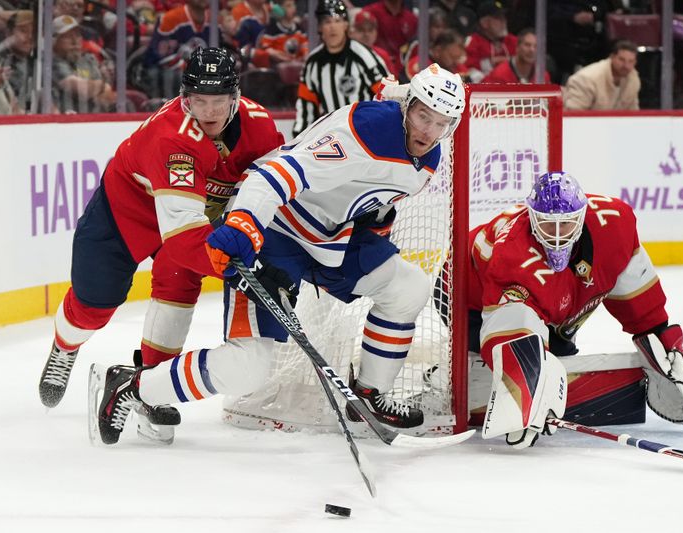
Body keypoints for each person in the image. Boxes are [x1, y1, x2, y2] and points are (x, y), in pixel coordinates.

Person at [93, 63, 466, 445]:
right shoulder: (364, 132)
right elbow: (274, 174)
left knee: (408, 288)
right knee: (248, 368)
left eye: (441, 123)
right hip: (274, 230)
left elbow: (373, 199)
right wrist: (243, 225)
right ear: (409, 108)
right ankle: (134, 385)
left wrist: (374, 228)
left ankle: (369, 394)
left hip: (328, 238)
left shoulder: (428, 157)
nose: (428, 132)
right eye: (423, 116)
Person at [39, 48, 282, 423]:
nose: (210, 112)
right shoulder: (173, 140)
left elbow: (276, 187)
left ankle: (151, 385)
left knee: (178, 286)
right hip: (126, 214)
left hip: (194, 221)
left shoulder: (260, 127)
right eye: (199, 101)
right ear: (185, 99)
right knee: (94, 306)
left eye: (219, 101)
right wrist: (236, 269)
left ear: (236, 98)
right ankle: (64, 345)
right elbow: (185, 241)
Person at [464, 172, 683, 448]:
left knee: (559, 356)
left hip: (553, 303)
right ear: (532, 219)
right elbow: (506, 320)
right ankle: (450, 371)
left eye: (566, 225)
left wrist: (660, 335)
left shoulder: (613, 223)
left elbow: (634, 282)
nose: (557, 236)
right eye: (548, 226)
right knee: (523, 351)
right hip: (466, 295)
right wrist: (524, 383)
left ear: (582, 216)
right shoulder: (512, 257)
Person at [292, 0, 389, 137]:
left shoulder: (365, 57)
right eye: (327, 22)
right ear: (319, 27)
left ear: (346, 24)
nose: (332, 27)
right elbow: (306, 109)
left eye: (337, 21)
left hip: (367, 137)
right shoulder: (312, 64)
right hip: (331, 139)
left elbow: (388, 98)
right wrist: (298, 141)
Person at [51, 15, 116, 114]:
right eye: (67, 37)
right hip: (64, 121)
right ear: (54, 41)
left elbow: (107, 95)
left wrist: (98, 88)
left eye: (77, 35)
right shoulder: (51, 62)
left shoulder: (88, 60)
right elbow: (81, 89)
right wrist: (101, 85)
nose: (75, 41)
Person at [563, 39, 640, 110]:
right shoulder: (586, 79)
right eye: (621, 59)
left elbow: (633, 112)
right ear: (612, 57)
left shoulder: (633, 78)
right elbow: (574, 115)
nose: (626, 66)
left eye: (631, 61)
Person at [0, 9, 35, 113]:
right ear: (8, 33)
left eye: (33, 32)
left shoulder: (37, 60)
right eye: (23, 31)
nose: (29, 36)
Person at [464, 1, 518, 83]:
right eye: (498, 18)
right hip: (485, 91)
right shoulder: (472, 42)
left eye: (504, 17)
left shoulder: (513, 41)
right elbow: (467, 70)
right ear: (484, 23)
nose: (503, 21)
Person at [483, 27, 550, 84]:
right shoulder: (499, 75)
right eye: (527, 45)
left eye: (536, 46)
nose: (532, 50)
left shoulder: (543, 76)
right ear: (517, 47)